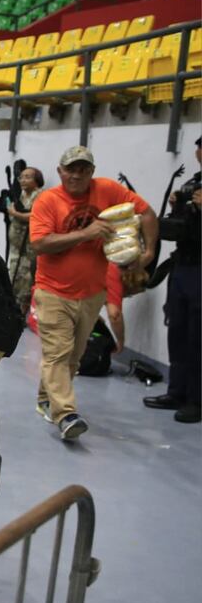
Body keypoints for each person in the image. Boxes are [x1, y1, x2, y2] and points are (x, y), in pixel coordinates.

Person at [29, 145, 156, 440]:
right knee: (58, 353)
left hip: (91, 293)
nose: (76, 175)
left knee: (73, 357)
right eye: (70, 169)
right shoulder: (48, 201)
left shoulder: (107, 190)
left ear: (92, 172)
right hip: (53, 292)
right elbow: (40, 243)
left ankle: (46, 399)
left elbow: (146, 213)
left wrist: (148, 253)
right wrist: (86, 234)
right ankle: (66, 415)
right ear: (60, 171)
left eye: (83, 169)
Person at [144, 136, 201, 423]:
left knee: (197, 336)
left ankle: (196, 399)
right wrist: (178, 206)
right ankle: (176, 391)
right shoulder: (193, 184)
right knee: (177, 330)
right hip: (183, 266)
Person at [6, 166, 46, 316]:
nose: (23, 180)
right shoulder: (21, 196)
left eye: (27, 177)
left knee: (26, 283)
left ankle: (23, 314)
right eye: (21, 177)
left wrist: (15, 213)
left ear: (37, 180)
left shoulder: (41, 196)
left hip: (29, 249)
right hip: (16, 248)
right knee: (13, 279)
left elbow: (35, 216)